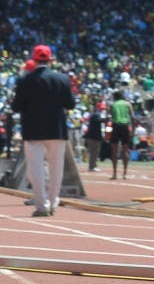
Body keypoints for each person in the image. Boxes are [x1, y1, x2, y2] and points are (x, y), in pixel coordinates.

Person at [11, 45, 75, 217]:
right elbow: (70, 104)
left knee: (35, 169)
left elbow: (16, 107)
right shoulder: (62, 79)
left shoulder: (25, 80)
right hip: (56, 129)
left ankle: (41, 206)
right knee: (56, 168)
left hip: (33, 130)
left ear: (35, 58)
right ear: (50, 59)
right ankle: (54, 202)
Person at [108, 89, 134, 180]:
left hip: (116, 126)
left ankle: (114, 173)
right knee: (125, 150)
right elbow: (132, 117)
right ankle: (125, 173)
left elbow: (110, 116)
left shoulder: (112, 104)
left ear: (115, 97)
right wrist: (133, 130)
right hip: (125, 126)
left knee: (114, 151)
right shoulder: (128, 104)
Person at [83, 101, 106, 172]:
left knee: (95, 152)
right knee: (94, 152)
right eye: (101, 108)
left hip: (93, 136)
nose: (102, 110)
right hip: (94, 137)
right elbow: (99, 121)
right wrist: (106, 119)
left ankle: (94, 165)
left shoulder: (94, 114)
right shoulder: (96, 114)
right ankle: (91, 167)